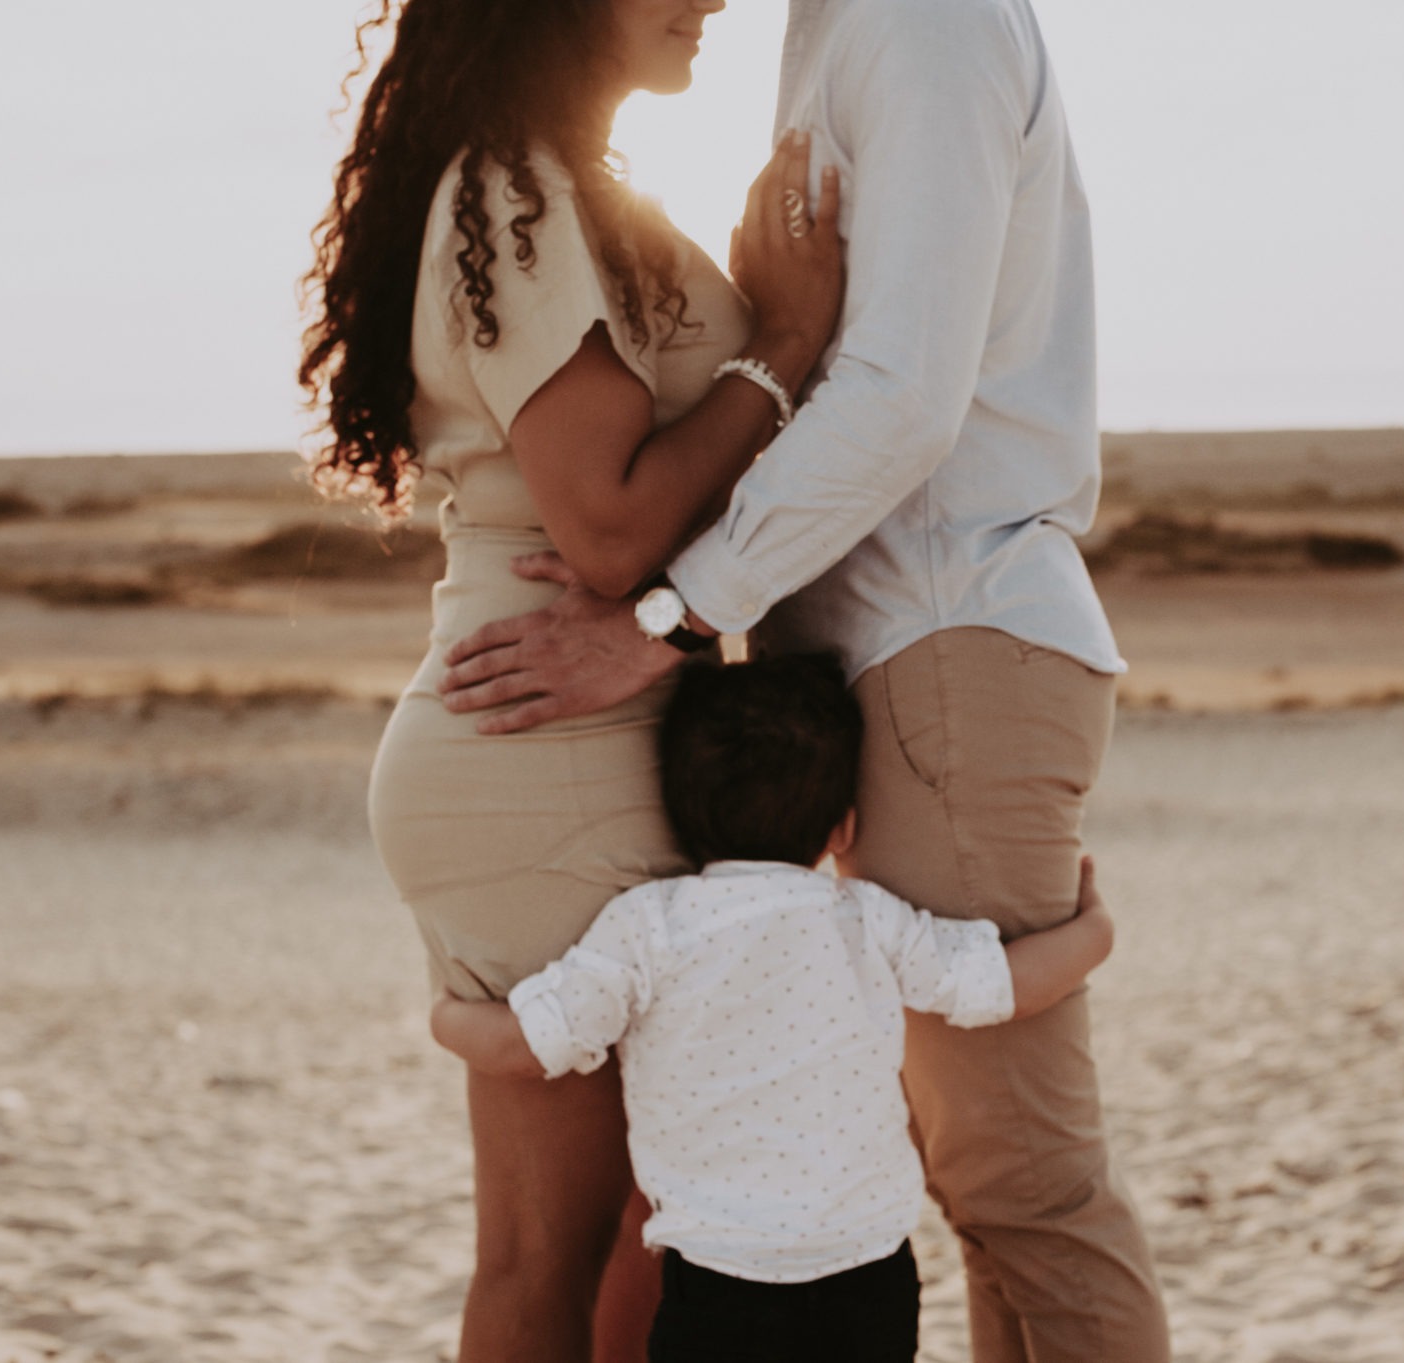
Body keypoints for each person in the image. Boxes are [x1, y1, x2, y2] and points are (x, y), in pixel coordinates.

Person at [435, 0, 1175, 1358]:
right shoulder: (836, 29)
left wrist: (661, 621)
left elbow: (900, 393)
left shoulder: (921, 24)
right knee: (988, 1189)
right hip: (903, 652)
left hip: (949, 636)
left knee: (1026, 1188)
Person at [296, 1, 848, 1358]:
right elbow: (603, 525)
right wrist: (783, 340)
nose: (712, 0)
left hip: (554, 736)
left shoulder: (559, 189)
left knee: (605, 1236)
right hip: (545, 750)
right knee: (570, 1244)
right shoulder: (516, 189)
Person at [425, 655, 1116, 1363]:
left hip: (720, 1283)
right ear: (843, 827)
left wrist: (447, 1017)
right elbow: (993, 985)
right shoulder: (865, 919)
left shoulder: (650, 925)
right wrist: (1093, 935)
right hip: (866, 1273)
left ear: (677, 817)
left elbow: (535, 1042)